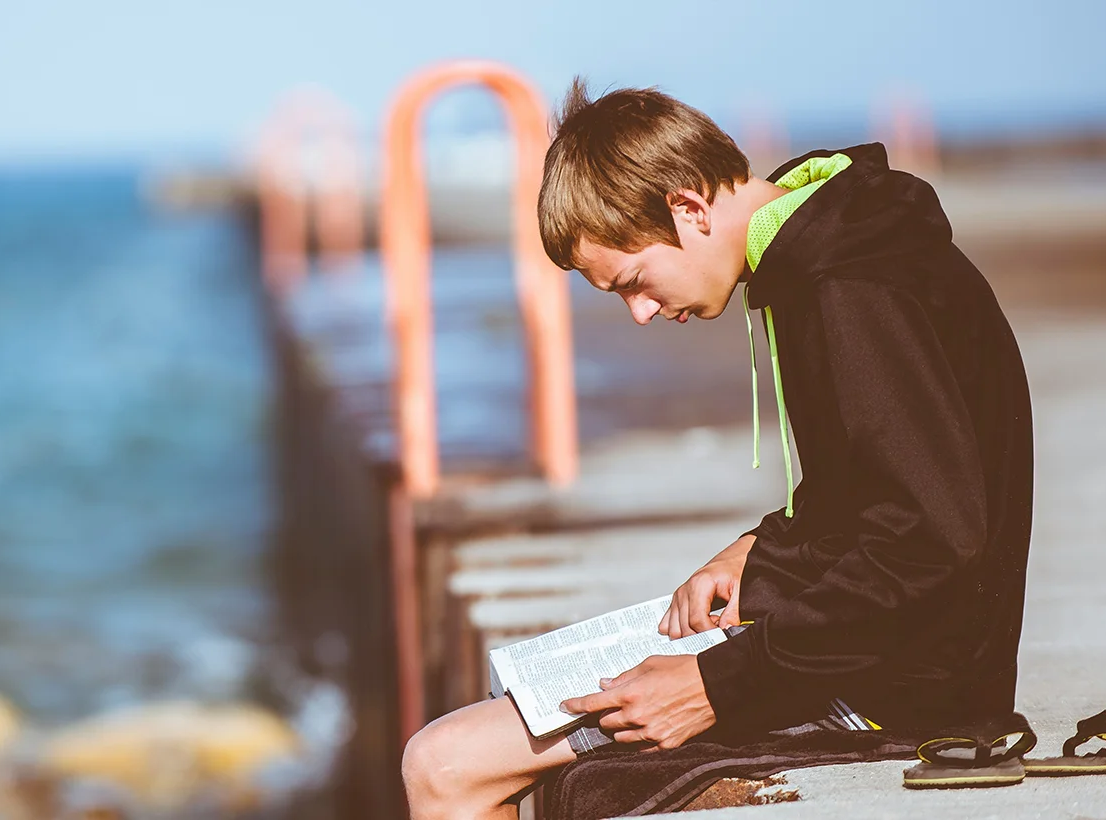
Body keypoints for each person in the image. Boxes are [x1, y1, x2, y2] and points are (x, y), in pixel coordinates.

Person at [400, 80, 1034, 820]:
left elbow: (931, 541)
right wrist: (761, 551)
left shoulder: (850, 291)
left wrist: (714, 685)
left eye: (633, 281)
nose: (639, 313)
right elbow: (887, 490)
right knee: (476, 739)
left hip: (903, 692)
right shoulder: (830, 255)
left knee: (445, 765)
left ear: (689, 208)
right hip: (881, 653)